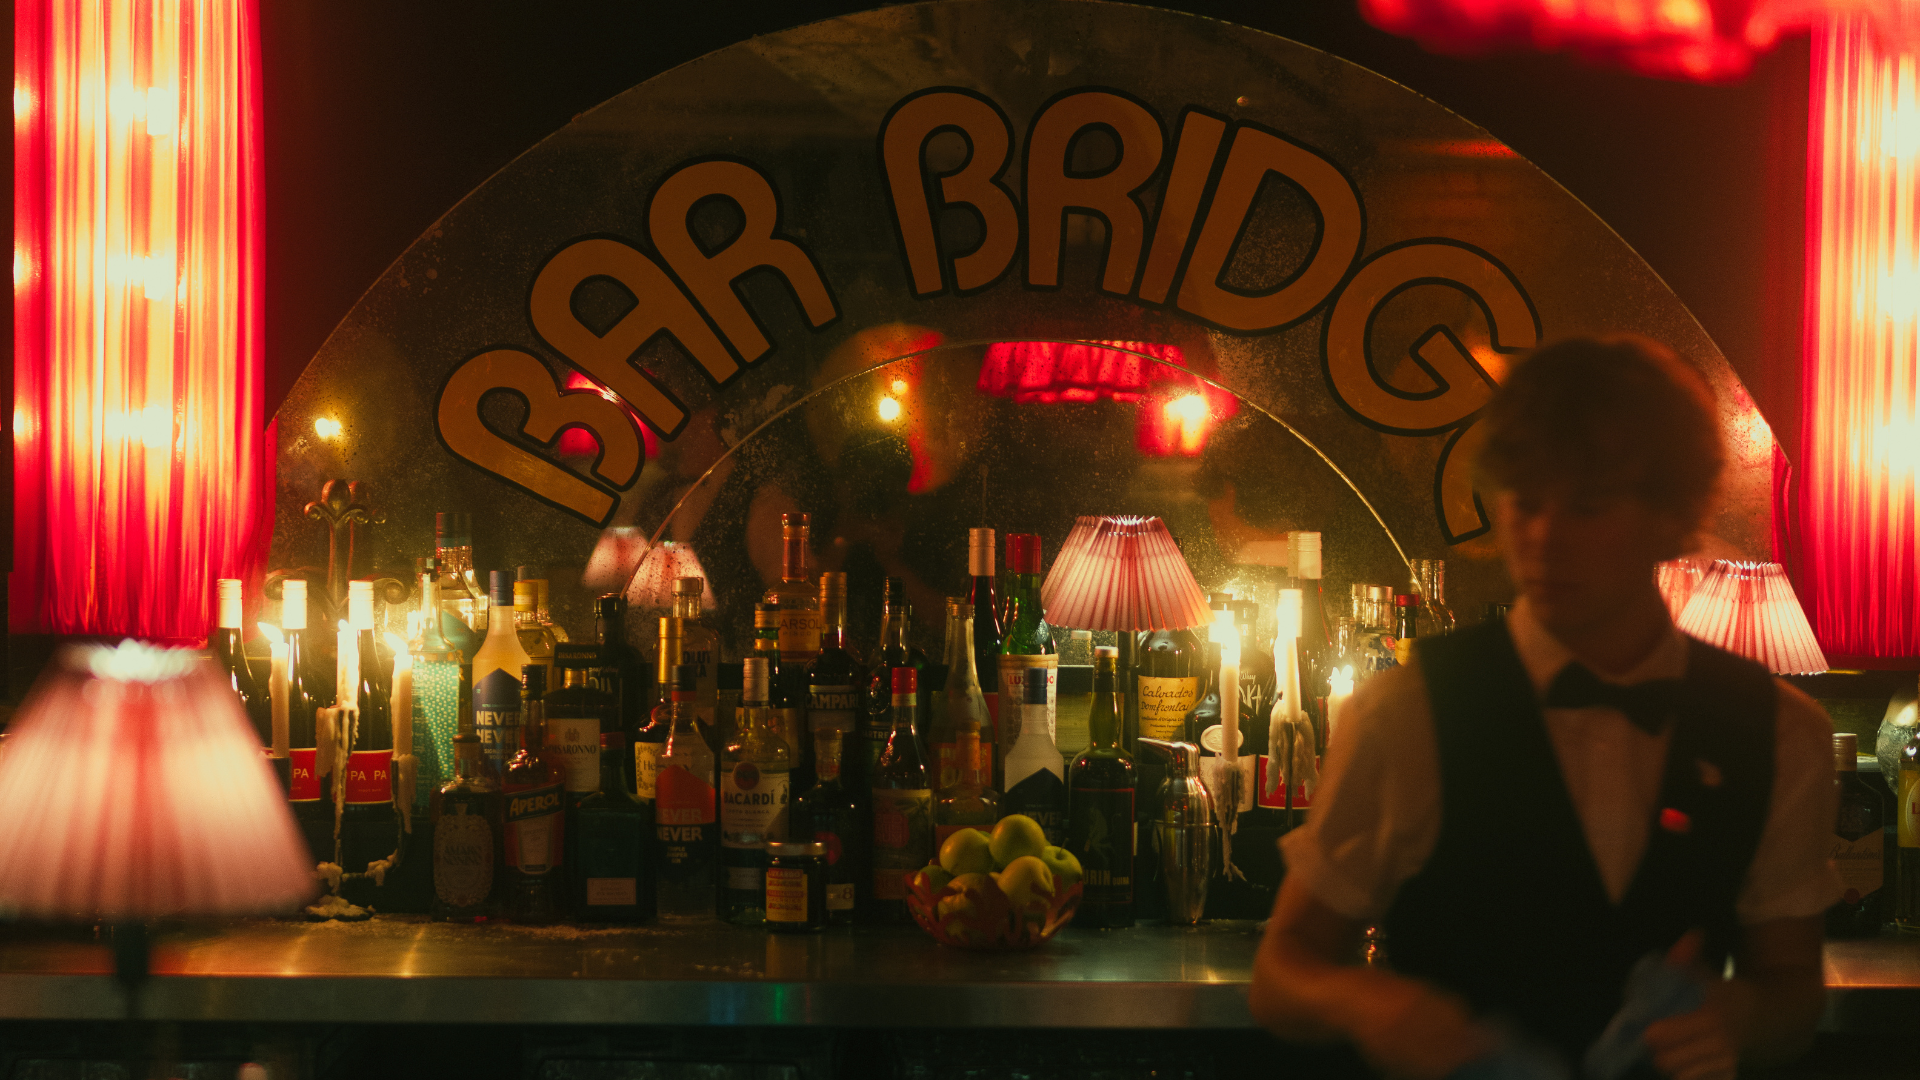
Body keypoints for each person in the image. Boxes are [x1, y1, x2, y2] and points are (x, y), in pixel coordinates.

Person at [1248, 336, 1838, 1080]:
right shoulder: (1405, 713)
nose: (1543, 540)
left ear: (1673, 517)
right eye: (1524, 503)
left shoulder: (1779, 730)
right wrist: (1370, 1005)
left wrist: (1741, 1016)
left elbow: (1793, 991)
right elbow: (1282, 972)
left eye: (1588, 508)